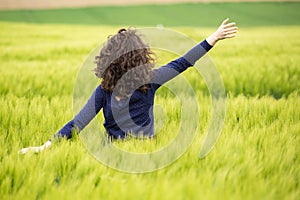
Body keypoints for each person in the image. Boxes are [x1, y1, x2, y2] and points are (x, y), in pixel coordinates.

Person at [19, 18, 238, 154]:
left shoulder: (103, 90)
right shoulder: (150, 81)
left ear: (108, 60)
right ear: (140, 58)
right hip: (148, 154)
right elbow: (182, 63)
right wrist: (212, 39)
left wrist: (46, 146)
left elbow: (77, 123)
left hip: (112, 155)